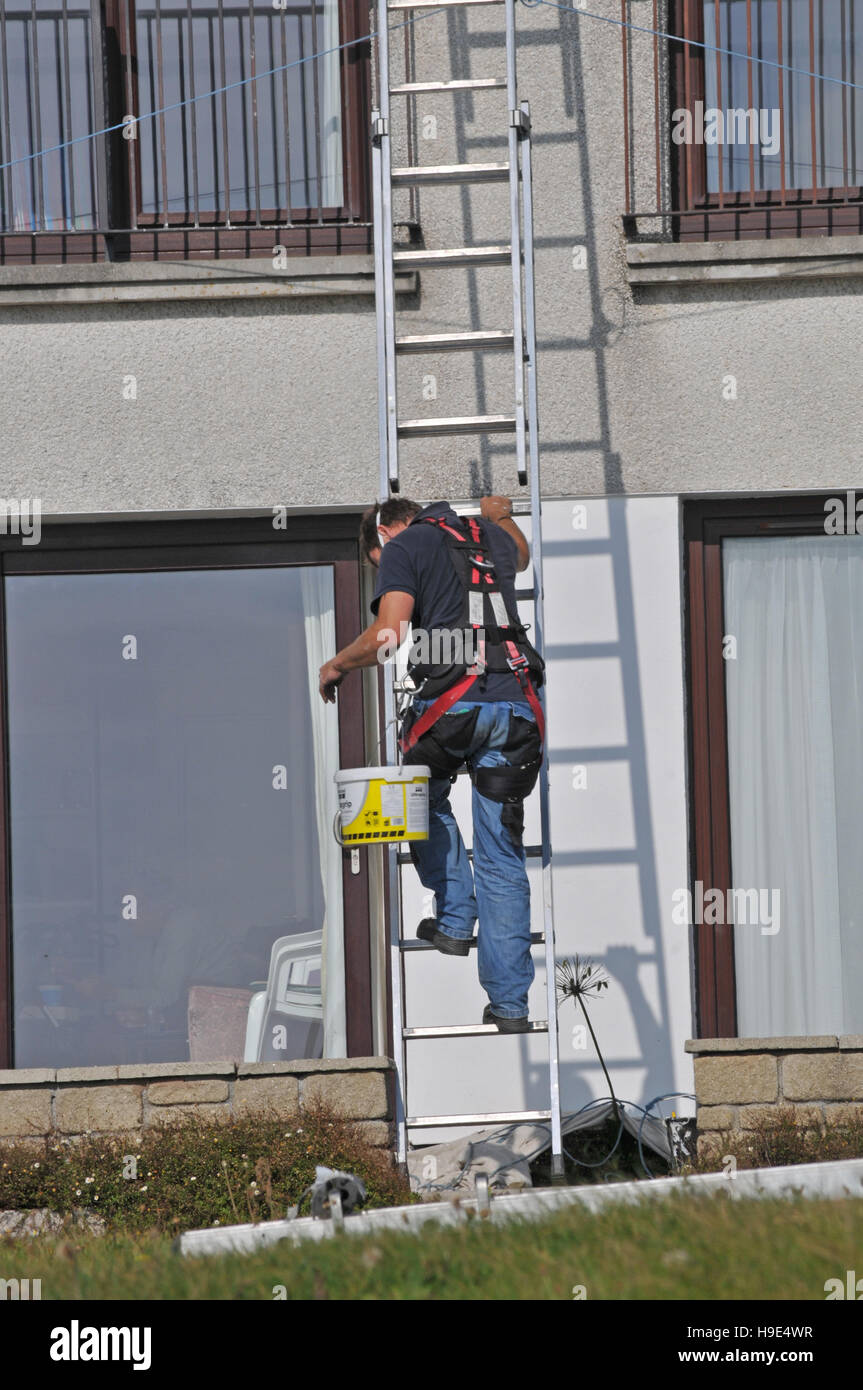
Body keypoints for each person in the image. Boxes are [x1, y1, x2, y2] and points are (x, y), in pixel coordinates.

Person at [319, 496, 545, 1032]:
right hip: (516, 710)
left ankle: (454, 916)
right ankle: (511, 1005)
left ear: (384, 533)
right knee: (502, 856)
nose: (383, 565)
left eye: (378, 560)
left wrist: (335, 664)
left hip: (453, 707)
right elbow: (521, 555)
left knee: (415, 793)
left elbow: (389, 635)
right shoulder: (485, 538)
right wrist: (500, 516)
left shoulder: (406, 544)